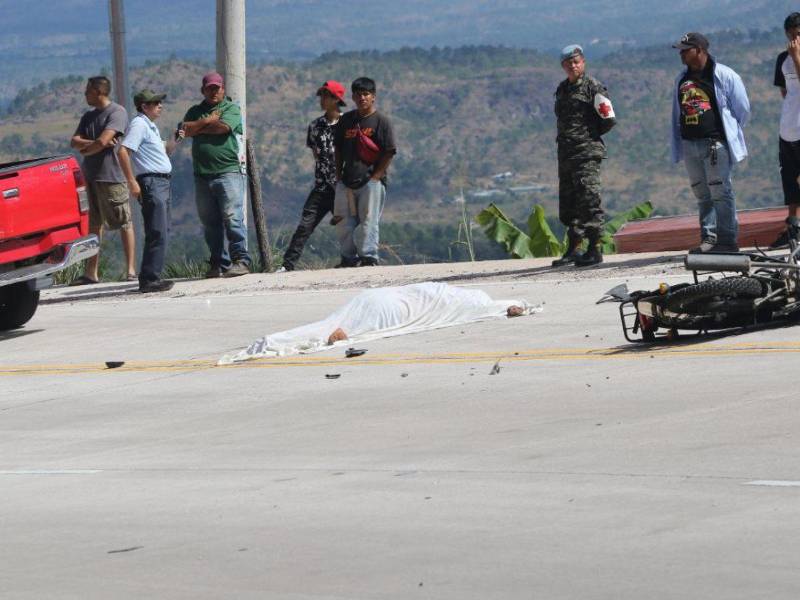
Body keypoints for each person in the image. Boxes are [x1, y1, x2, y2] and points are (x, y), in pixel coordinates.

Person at [218, 282, 539, 363]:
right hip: (393, 307)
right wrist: (512, 307)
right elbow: (491, 308)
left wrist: (510, 306)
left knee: (329, 323)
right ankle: (277, 341)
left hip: (375, 296)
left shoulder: (450, 292)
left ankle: (274, 340)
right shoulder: (474, 302)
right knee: (344, 329)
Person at [671, 32, 750, 254]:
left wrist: (729, 133)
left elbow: (743, 109)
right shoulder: (681, 79)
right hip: (690, 144)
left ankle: (727, 240)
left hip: (714, 144)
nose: (681, 54)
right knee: (701, 193)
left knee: (720, 192)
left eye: (685, 50)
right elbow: (677, 111)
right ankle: (709, 237)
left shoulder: (724, 75)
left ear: (699, 50)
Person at [552, 44, 616, 268]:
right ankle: (574, 248)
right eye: (568, 63)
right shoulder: (563, 89)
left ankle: (594, 249)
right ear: (563, 66)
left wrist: (589, 137)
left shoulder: (593, 87)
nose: (573, 66)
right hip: (566, 155)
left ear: (583, 62)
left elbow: (608, 119)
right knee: (569, 203)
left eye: (576, 62)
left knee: (589, 199)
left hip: (586, 153)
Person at [182, 72, 251, 278]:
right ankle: (219, 263)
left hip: (228, 172)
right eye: (209, 88)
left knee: (232, 217)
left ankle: (241, 260)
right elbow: (184, 130)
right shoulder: (195, 110)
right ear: (203, 90)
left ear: (223, 89)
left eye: (217, 88)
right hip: (202, 175)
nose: (213, 92)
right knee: (209, 222)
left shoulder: (231, 108)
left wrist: (198, 126)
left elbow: (223, 127)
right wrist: (207, 121)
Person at [69, 76, 135, 284]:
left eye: (88, 91)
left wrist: (88, 148)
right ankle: (91, 272)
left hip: (112, 176)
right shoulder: (88, 116)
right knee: (94, 225)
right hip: (90, 177)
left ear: (98, 92)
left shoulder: (117, 112)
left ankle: (130, 270)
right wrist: (94, 144)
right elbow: (75, 141)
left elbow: (105, 140)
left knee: (124, 221)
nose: (85, 95)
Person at [279, 81, 346, 272]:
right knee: (305, 226)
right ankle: (287, 265)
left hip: (342, 187)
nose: (322, 100)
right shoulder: (315, 126)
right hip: (321, 187)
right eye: (321, 96)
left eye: (326, 96)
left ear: (336, 99)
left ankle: (352, 260)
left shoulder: (347, 124)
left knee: (346, 227)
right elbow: (316, 154)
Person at [117, 89, 179, 293]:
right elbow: (123, 151)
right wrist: (131, 182)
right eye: (155, 103)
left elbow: (164, 151)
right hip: (152, 182)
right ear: (144, 106)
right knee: (157, 231)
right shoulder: (139, 125)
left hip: (162, 182)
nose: (160, 105)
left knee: (162, 231)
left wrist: (175, 139)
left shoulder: (150, 127)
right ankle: (149, 279)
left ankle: (152, 276)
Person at [333, 77, 397, 267]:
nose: (362, 98)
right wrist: (338, 176)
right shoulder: (346, 120)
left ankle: (369, 257)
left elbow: (389, 151)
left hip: (371, 182)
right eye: (358, 94)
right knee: (344, 222)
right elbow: (338, 149)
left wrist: (376, 177)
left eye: (366, 94)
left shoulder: (381, 121)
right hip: (347, 180)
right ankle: (348, 258)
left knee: (368, 221)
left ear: (373, 97)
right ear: (353, 97)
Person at [772, 13, 800, 248]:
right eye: (791, 35)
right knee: (790, 181)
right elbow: (785, 91)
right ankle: (793, 228)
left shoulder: (795, 55)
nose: (794, 39)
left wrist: (797, 56)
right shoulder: (782, 58)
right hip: (788, 129)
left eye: (798, 34)